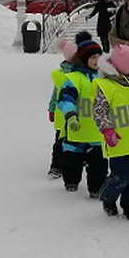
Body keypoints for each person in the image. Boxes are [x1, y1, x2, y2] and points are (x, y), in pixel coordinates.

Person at [93, 44, 129, 220]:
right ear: (124, 67)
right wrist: (107, 130)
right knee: (121, 177)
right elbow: (98, 111)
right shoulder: (106, 86)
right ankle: (108, 199)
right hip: (118, 141)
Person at [56, 32, 108, 197]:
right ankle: (71, 181)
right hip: (77, 129)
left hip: (98, 132)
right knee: (72, 161)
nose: (96, 60)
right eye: (92, 57)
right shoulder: (74, 78)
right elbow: (65, 98)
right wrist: (70, 114)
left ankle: (96, 188)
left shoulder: (106, 78)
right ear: (84, 59)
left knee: (99, 165)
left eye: (98, 57)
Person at [46, 38, 77, 178]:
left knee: (72, 140)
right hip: (63, 114)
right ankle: (57, 166)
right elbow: (55, 93)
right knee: (61, 141)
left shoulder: (83, 72)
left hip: (75, 113)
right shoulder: (63, 74)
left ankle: (73, 162)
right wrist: (52, 108)